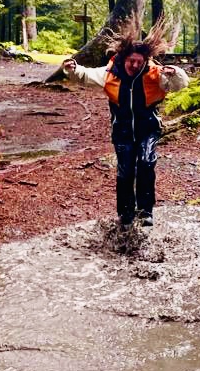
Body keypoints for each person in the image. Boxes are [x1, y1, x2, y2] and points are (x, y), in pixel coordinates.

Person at [62, 16, 189, 227]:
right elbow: (85, 75)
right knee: (125, 170)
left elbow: (180, 84)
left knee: (147, 164)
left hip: (148, 129)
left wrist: (175, 72)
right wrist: (72, 68)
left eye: (139, 62)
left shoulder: (155, 75)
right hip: (122, 131)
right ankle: (125, 213)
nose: (135, 65)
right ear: (124, 58)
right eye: (131, 61)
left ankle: (145, 211)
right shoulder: (110, 73)